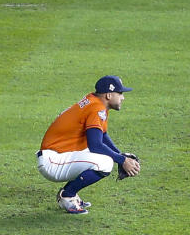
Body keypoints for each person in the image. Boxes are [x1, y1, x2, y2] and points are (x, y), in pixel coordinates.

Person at [38, 76, 139, 215]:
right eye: (120, 93)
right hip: (53, 161)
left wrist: (121, 155)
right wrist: (122, 160)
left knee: (105, 156)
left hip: (59, 154)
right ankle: (67, 195)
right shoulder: (96, 108)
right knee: (106, 162)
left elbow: (102, 135)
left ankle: (69, 194)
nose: (123, 98)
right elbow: (96, 145)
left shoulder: (94, 101)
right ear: (109, 95)